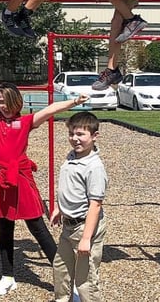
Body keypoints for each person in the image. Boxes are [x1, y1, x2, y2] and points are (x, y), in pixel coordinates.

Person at [0, 39, 88, 296]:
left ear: (16, 101)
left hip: (20, 178)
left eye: (7, 101)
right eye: (0, 101)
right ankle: (8, 276)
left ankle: (64, 281)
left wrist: (73, 102)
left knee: (37, 227)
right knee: (4, 227)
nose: (3, 105)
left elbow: (50, 109)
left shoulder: (26, 121)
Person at [50, 111, 107, 302]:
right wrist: (60, 208)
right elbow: (68, 186)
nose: (75, 139)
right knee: (61, 270)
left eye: (81, 134)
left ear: (94, 136)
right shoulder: (72, 156)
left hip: (84, 227)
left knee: (86, 281)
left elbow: (95, 205)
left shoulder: (94, 167)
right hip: (68, 226)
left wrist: (86, 238)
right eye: (71, 134)